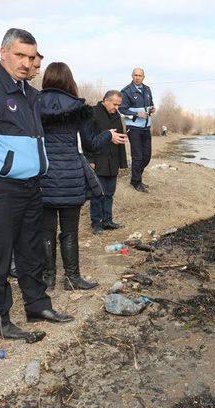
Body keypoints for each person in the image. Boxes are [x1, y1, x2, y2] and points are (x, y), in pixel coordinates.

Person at [0, 28, 72, 343]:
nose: (25, 62)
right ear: (3, 52)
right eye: (19, 55)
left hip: (31, 186)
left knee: (32, 253)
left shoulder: (30, 94)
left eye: (30, 57)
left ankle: (37, 305)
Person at [39, 62, 128, 290]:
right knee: (69, 230)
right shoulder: (78, 109)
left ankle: (48, 279)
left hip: (42, 176)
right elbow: (91, 145)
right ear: (70, 81)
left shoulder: (32, 103)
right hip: (70, 177)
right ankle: (72, 278)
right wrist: (108, 135)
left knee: (45, 231)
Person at [9, 50, 44, 280]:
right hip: (5, 184)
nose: (34, 68)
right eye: (33, 64)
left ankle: (35, 300)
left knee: (29, 239)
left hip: (31, 182)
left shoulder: (33, 96)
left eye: (36, 64)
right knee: (6, 237)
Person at [86, 90, 128, 235]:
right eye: (114, 104)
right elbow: (87, 139)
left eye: (119, 105)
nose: (116, 107)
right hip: (98, 160)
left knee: (109, 193)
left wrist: (122, 163)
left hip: (113, 160)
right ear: (106, 100)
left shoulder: (117, 116)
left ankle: (107, 220)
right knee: (98, 193)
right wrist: (90, 160)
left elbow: (121, 139)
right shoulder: (93, 112)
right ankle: (96, 223)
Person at [119, 67, 155, 193]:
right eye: (135, 75)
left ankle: (137, 178)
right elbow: (122, 109)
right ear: (132, 76)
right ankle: (136, 181)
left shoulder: (147, 89)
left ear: (143, 77)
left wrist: (152, 109)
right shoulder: (126, 91)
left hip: (146, 127)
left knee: (147, 156)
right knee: (138, 156)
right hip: (133, 128)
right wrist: (137, 114)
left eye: (140, 75)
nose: (137, 77)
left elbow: (150, 104)